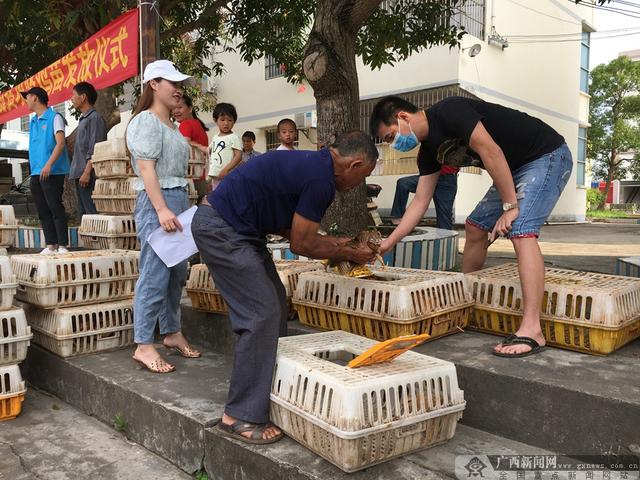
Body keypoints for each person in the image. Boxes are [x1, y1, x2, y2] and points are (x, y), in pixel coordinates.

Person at [191, 130, 378, 444]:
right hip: (223, 228)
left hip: (240, 230)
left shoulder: (312, 166)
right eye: (363, 176)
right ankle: (239, 416)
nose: (358, 185)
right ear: (354, 164)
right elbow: (302, 244)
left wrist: (340, 244)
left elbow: (293, 231)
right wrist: (346, 251)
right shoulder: (321, 180)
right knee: (261, 313)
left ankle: (267, 394)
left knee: (275, 301)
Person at [370, 95, 573, 358]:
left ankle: (533, 329)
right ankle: (465, 302)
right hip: (513, 169)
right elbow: (420, 202)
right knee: (475, 227)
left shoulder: (449, 111)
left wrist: (510, 207)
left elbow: (491, 151)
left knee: (520, 230)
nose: (395, 144)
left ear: (403, 117)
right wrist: (388, 243)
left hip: (546, 156)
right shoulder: (428, 153)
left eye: (390, 137)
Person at [126, 59, 201, 374]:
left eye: (180, 84)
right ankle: (144, 344)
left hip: (178, 199)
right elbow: (147, 170)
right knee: (154, 273)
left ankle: (171, 332)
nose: (179, 89)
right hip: (158, 201)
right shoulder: (145, 122)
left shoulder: (173, 125)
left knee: (175, 273)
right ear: (153, 84)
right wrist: (161, 209)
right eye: (173, 83)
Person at [21, 86, 71, 255]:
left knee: (55, 207)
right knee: (42, 209)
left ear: (35, 97)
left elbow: (61, 143)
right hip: (36, 172)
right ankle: (51, 244)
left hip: (52, 171)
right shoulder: (34, 121)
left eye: (27, 97)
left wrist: (49, 164)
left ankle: (63, 244)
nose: (26, 101)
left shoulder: (54, 117)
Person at [69, 81, 107, 219]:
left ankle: (96, 240)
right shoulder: (84, 119)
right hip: (80, 175)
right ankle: (89, 241)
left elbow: (96, 148)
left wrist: (86, 172)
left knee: (92, 215)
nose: (71, 99)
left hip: (88, 176)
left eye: (74, 95)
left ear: (83, 97)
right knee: (84, 215)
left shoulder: (95, 118)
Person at [390, 166, 458, 230]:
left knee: (444, 220)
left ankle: (446, 240)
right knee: (403, 183)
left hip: (447, 179)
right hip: (428, 177)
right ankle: (398, 217)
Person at [173, 93, 209, 197]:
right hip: (201, 178)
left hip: (191, 179)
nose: (175, 111)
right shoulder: (198, 124)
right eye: (173, 108)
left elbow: (182, 147)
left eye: (179, 107)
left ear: (190, 108)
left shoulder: (186, 124)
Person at [208, 103, 242, 190]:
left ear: (234, 121)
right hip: (215, 177)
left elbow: (238, 156)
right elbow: (210, 152)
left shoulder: (234, 137)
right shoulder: (215, 137)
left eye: (230, 120)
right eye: (222, 120)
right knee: (217, 200)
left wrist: (226, 170)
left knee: (228, 199)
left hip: (227, 176)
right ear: (215, 120)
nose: (226, 123)